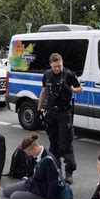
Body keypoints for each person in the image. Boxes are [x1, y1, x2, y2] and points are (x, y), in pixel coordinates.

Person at [37, 53, 83, 184]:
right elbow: (44, 91)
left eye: (59, 66)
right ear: (51, 64)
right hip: (51, 113)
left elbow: (81, 89)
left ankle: (69, 172)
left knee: (65, 144)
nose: (57, 68)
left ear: (62, 62)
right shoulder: (46, 75)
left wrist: (71, 90)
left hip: (64, 113)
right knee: (53, 144)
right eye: (55, 66)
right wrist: (39, 108)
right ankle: (56, 170)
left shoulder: (69, 74)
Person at [2, 133, 59, 199]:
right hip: (33, 182)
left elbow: (53, 182)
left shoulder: (48, 160)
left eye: (28, 152)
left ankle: (37, 198)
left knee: (14, 198)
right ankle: (26, 192)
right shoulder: (37, 154)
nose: (28, 154)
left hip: (42, 192)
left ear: (35, 149)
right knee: (6, 191)